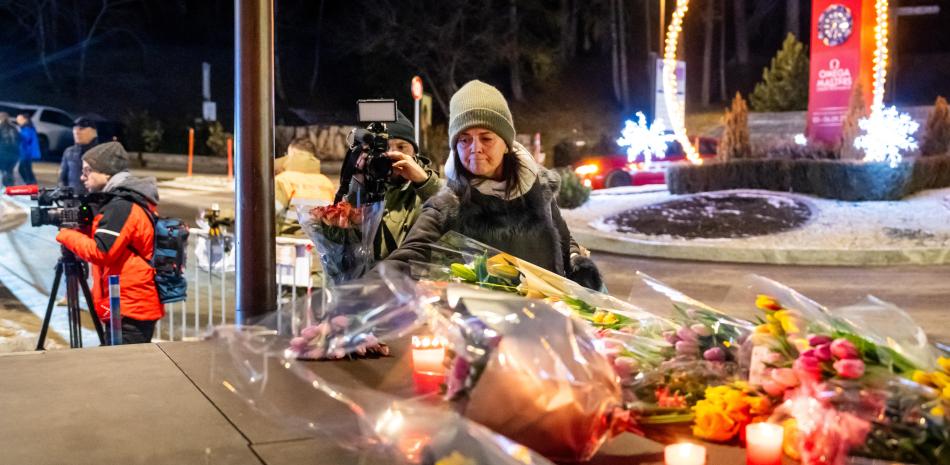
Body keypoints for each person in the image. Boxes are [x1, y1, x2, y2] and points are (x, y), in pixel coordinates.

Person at [385, 80, 603, 290]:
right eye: (464, 139)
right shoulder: (448, 205)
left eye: (486, 138)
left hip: (547, 313)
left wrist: (579, 265)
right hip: (481, 317)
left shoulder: (538, 189)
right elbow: (405, 260)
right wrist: (370, 293)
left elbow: (564, 241)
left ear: (506, 144)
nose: (475, 148)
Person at [56, 142, 163, 344]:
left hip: (129, 308)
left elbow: (101, 252)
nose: (82, 177)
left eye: (87, 171)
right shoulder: (122, 201)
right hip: (122, 304)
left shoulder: (121, 205)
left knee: (122, 363)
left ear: (106, 172)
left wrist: (66, 234)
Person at [336, 109, 442, 260]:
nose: (392, 153)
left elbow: (452, 219)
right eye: (384, 148)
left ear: (414, 152)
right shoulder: (362, 182)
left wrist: (424, 182)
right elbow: (341, 241)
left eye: (401, 147)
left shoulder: (427, 187)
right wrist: (357, 183)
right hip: (366, 274)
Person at [275, 137, 335, 237]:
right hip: (317, 242)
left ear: (293, 153)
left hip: (289, 241)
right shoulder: (327, 183)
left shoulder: (284, 180)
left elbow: (271, 212)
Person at [59, 117, 99, 195]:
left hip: (94, 200)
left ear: (93, 132)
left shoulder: (102, 152)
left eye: (81, 129)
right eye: (74, 128)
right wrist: (65, 195)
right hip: (72, 199)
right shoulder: (69, 152)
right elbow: (62, 179)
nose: (76, 132)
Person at [14, 113, 39, 185]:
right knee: (26, 170)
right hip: (25, 153)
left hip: (26, 153)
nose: (17, 120)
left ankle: (30, 184)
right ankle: (31, 184)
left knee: (24, 170)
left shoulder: (27, 128)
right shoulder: (25, 128)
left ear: (25, 120)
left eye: (19, 119)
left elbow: (25, 138)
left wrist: (16, 134)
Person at [0, 113, 20, 187]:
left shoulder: (0, 128)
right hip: (15, 154)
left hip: (3, 154)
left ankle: (6, 187)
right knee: (9, 171)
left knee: (4, 172)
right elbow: (19, 140)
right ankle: (10, 187)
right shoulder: (14, 128)